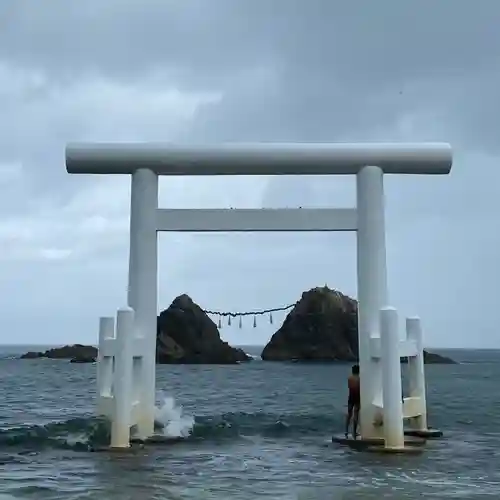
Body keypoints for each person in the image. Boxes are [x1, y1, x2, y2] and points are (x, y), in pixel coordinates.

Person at [345, 364, 360, 439]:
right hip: (357, 397)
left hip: (351, 397)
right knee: (356, 414)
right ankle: (354, 431)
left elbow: (349, 387)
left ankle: (346, 431)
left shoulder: (349, 378)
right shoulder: (359, 379)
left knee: (349, 414)